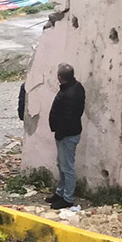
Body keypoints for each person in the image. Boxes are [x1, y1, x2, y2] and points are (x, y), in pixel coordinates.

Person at [48, 63, 85, 210]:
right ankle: (60, 193)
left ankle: (67, 198)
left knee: (67, 167)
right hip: (70, 132)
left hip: (67, 135)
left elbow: (67, 117)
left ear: (60, 77)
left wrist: (59, 132)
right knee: (61, 164)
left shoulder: (68, 94)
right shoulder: (77, 87)